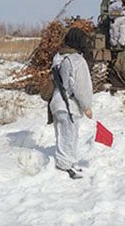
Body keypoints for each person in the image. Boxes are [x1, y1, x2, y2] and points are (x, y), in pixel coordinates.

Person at [50, 28, 94, 179]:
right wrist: (86, 106)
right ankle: (65, 167)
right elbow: (81, 87)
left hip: (57, 102)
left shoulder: (59, 57)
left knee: (63, 135)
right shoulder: (77, 61)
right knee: (69, 136)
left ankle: (69, 164)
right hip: (68, 105)